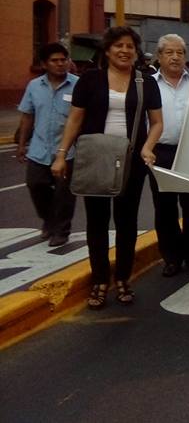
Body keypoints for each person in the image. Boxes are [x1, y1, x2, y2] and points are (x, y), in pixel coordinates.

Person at [51, 27, 163, 309]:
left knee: (127, 222)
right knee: (97, 222)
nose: (124, 51)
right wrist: (62, 155)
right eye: (118, 46)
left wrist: (147, 146)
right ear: (107, 50)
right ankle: (99, 280)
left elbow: (157, 122)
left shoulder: (145, 82)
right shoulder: (90, 80)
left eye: (130, 47)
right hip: (95, 157)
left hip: (131, 160)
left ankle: (123, 278)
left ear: (136, 53)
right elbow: (75, 120)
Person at [147, 34, 189, 277]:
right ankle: (172, 258)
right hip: (160, 152)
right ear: (159, 56)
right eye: (169, 52)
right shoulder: (148, 84)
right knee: (164, 209)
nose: (175, 57)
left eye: (180, 53)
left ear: (186, 57)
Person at [16, 43, 78, 247]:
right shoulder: (34, 86)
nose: (60, 64)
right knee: (35, 184)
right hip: (39, 149)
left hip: (68, 150)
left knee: (64, 193)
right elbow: (27, 115)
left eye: (64, 59)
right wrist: (22, 144)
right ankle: (49, 220)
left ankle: (61, 230)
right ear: (44, 64)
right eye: (55, 60)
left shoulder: (77, 84)